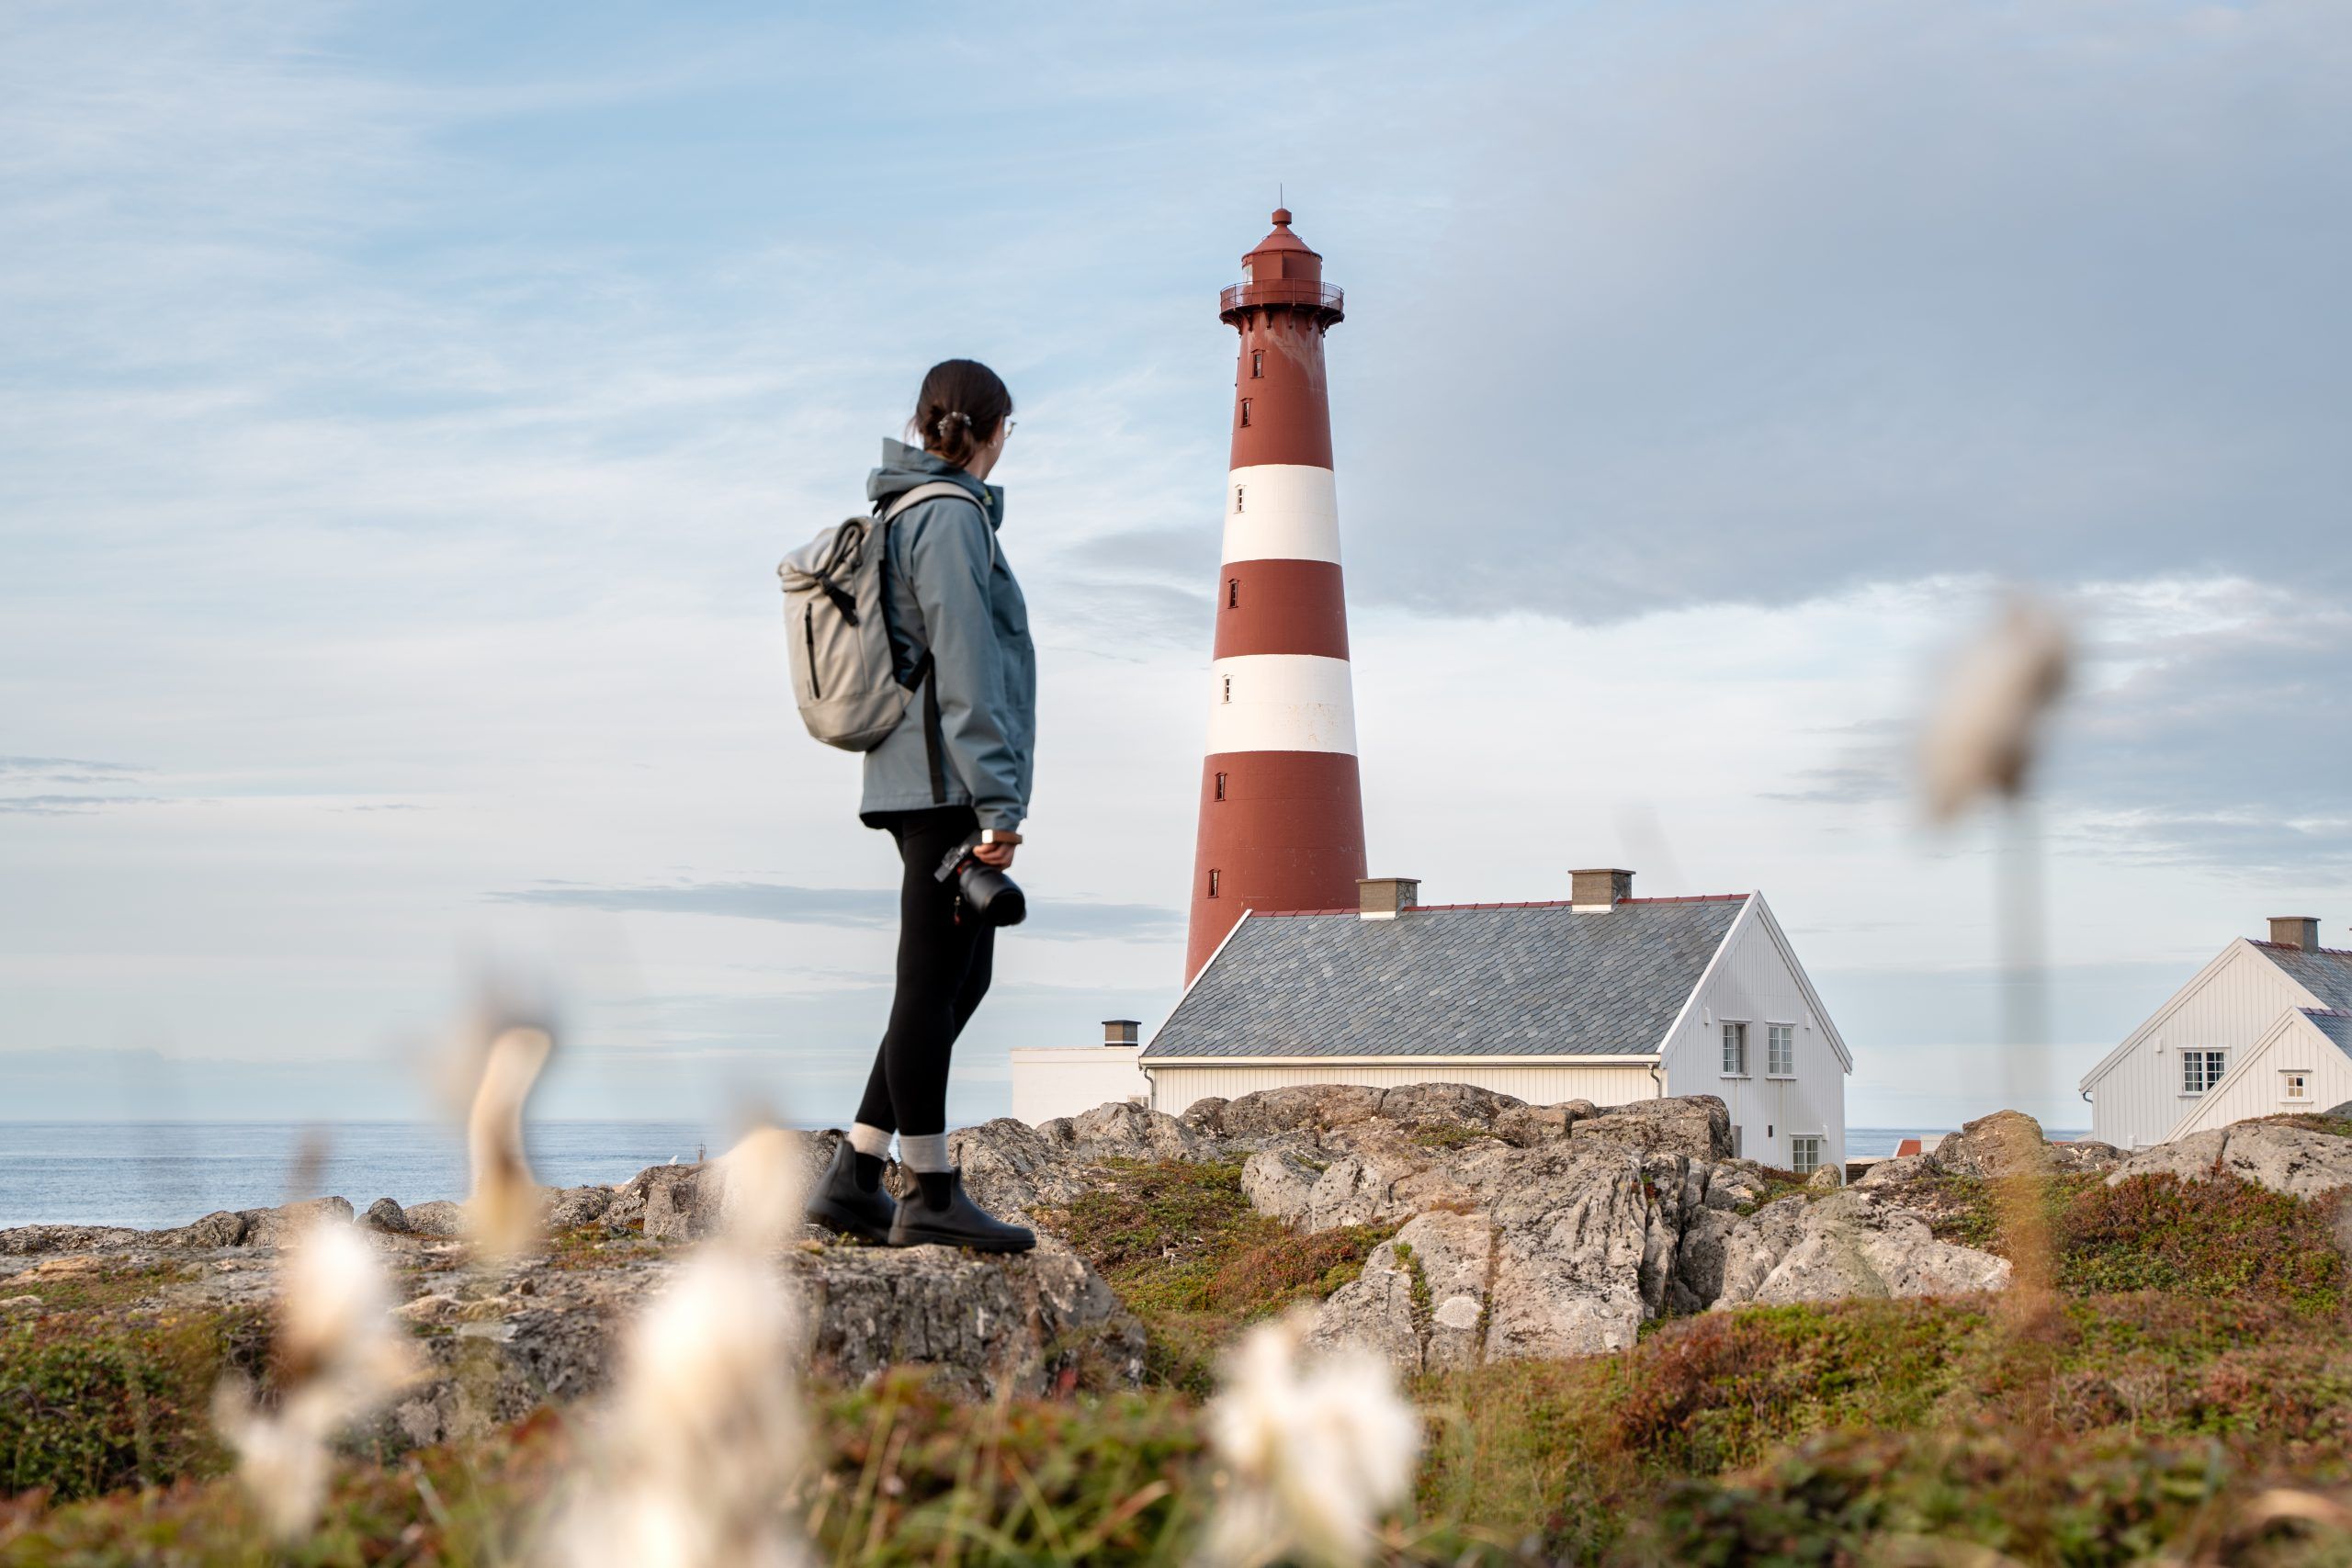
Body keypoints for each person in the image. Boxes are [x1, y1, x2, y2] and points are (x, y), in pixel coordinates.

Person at [805, 359, 1038, 1252]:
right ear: (993, 430)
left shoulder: (918, 509)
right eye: (1008, 431)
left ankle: (857, 1173)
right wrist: (998, 803)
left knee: (955, 976)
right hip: (945, 781)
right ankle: (930, 1188)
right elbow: (969, 669)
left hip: (922, 776)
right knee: (931, 979)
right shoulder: (946, 516)